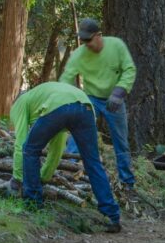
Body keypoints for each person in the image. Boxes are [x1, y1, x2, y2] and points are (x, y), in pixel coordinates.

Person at [10, 82, 121, 233]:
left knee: (30, 149)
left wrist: (17, 178)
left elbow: (21, 142)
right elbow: (57, 147)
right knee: (93, 162)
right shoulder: (42, 98)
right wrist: (45, 176)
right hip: (86, 106)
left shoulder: (20, 103)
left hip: (59, 106)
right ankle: (112, 216)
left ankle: (33, 203)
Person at [60, 18, 137, 192]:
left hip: (114, 98)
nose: (87, 43)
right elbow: (66, 78)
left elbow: (129, 69)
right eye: (84, 40)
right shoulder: (79, 55)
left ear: (99, 35)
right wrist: (68, 97)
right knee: (77, 133)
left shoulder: (116, 46)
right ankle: (67, 169)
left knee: (121, 140)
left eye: (89, 39)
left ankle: (127, 182)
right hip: (91, 99)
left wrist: (120, 91)